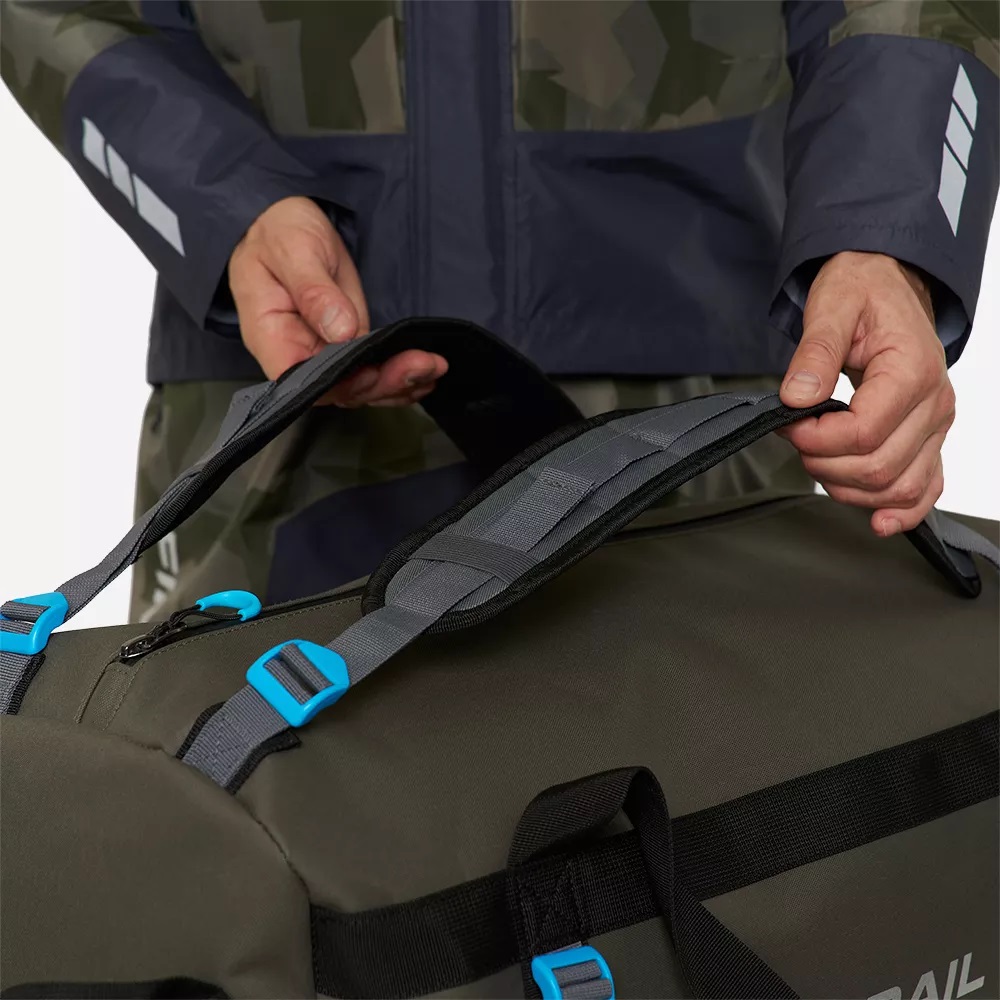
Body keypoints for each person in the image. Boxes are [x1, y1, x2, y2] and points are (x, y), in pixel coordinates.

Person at [3, 1, 997, 620]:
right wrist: (228, 204)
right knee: (249, 867)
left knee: (710, 857)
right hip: (284, 404)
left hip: (695, 429)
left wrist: (886, 235)